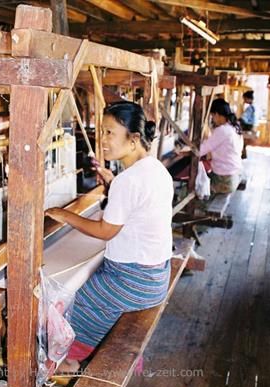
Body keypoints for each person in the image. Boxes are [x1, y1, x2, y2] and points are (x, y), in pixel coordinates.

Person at [45, 101, 174, 372]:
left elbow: (106, 231)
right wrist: (113, 183)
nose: (101, 140)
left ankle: (70, 360)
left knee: (67, 307)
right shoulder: (155, 169)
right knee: (84, 290)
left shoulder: (129, 181)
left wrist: (64, 215)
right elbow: (138, 204)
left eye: (109, 133)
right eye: (102, 132)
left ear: (134, 139)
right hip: (156, 275)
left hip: (135, 282)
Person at [200, 98, 243, 194]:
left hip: (225, 180)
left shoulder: (222, 130)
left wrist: (184, 152)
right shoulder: (235, 127)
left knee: (197, 185)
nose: (212, 119)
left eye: (212, 116)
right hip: (235, 174)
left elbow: (201, 150)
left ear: (217, 114)